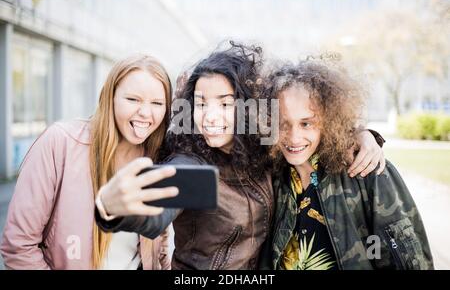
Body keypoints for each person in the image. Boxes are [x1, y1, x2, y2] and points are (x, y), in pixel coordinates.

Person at [95, 42, 386, 270]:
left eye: (225, 104)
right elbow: (158, 213)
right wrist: (113, 210)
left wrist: (361, 135)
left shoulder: (264, 153)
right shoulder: (192, 162)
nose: (210, 116)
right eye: (201, 103)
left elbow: (310, 129)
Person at [1, 55, 179, 269]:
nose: (145, 113)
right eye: (133, 99)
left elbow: (159, 247)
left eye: (157, 103)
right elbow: (18, 245)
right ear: (109, 96)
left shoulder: (158, 161)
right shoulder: (60, 143)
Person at [258, 59, 434, 270]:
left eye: (306, 123)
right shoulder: (272, 177)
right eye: (282, 124)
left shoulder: (369, 171)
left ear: (330, 120)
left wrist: (363, 135)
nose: (294, 137)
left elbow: (407, 263)